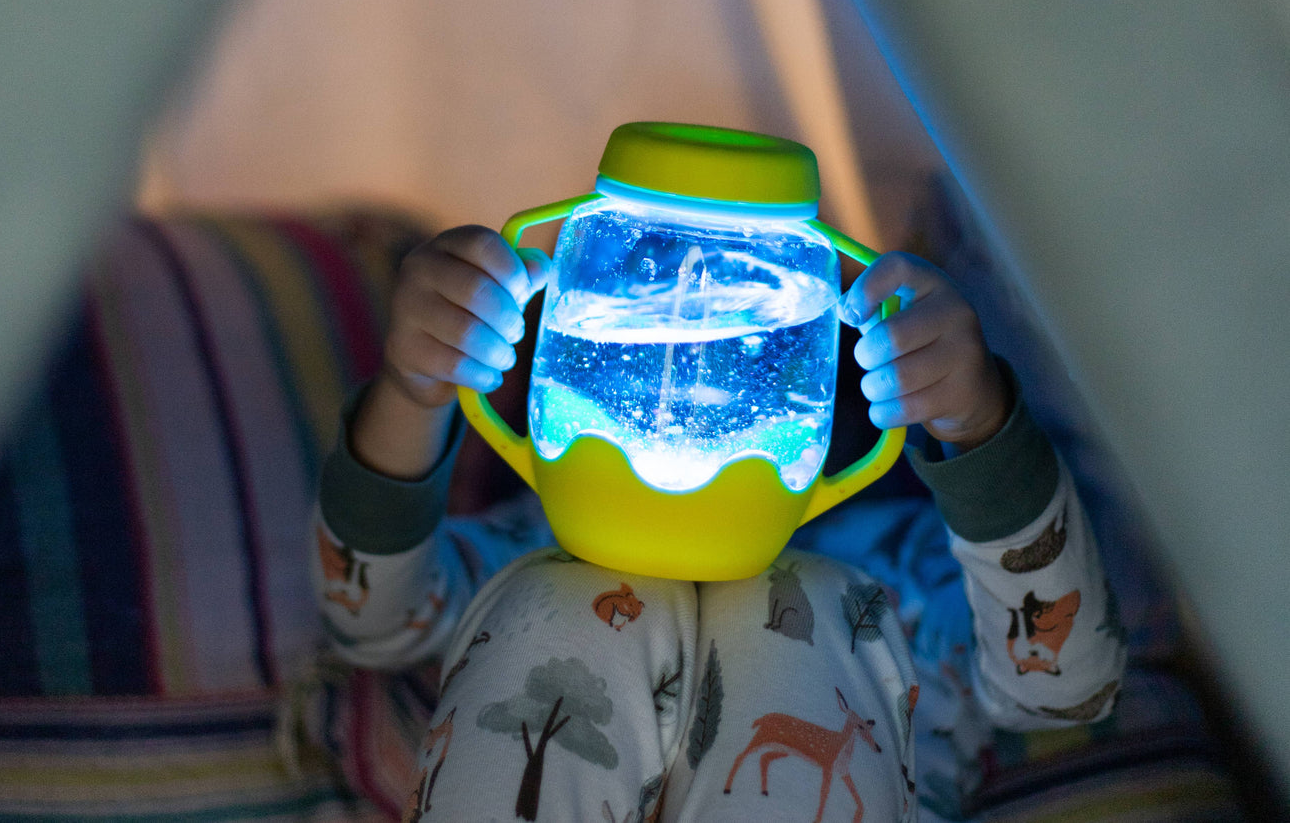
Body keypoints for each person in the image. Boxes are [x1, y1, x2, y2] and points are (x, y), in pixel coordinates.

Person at [312, 225, 1126, 823]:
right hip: (554, 626)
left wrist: (976, 423)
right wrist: (415, 387)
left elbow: (1064, 685)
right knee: (559, 597)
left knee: (812, 597)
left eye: (746, 337)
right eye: (655, 317)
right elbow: (369, 617)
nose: (688, 370)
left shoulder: (905, 567)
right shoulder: (537, 541)